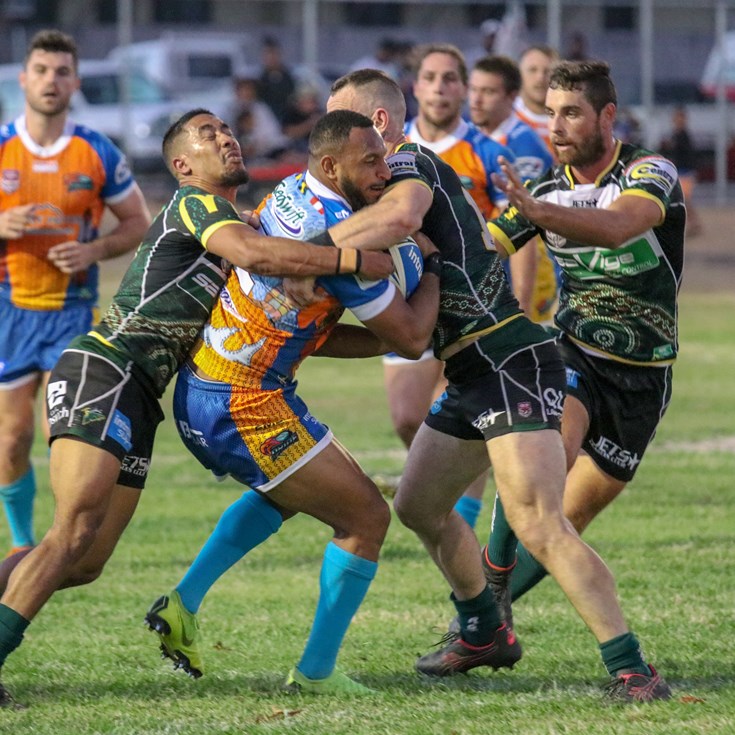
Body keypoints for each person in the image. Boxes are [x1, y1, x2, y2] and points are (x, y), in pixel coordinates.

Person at [0, 107, 393, 708]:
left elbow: (288, 312)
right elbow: (258, 254)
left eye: (228, 130)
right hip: (106, 367)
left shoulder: (239, 226)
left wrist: (390, 336)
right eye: (209, 135)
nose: (227, 138)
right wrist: (353, 259)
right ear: (183, 165)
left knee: (85, 562)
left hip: (142, 396)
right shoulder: (195, 206)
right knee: (72, 531)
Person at [325, 68, 671, 702]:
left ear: (377, 125)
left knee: (541, 520)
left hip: (514, 362)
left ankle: (634, 672)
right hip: (479, 367)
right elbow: (461, 265)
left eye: (339, 122)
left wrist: (301, 252)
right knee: (418, 505)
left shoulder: (408, 165)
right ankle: (485, 629)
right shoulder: (370, 192)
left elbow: (400, 217)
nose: (328, 139)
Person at [145, 109, 440, 695]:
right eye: (371, 163)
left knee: (286, 495)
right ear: (332, 166)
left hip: (212, 387)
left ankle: (183, 603)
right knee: (365, 518)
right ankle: (315, 673)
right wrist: (432, 268)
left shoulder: (290, 192)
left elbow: (316, 331)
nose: (384, 173)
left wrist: (385, 335)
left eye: (384, 160)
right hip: (243, 403)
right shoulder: (344, 239)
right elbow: (411, 339)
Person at [481, 60, 682, 703]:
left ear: (607, 116)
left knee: (564, 523)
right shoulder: (542, 189)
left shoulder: (650, 173)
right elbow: (486, 247)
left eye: (571, 112)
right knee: (539, 478)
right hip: (571, 354)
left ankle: (488, 619)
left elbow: (620, 225)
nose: (557, 126)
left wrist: (538, 212)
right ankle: (486, 598)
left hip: (643, 379)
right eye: (550, 112)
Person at [0, 30, 151, 560]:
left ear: (76, 83)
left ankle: (60, 542)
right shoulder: (2, 146)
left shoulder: (95, 150)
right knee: (11, 439)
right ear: (24, 79)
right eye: (42, 70)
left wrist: (93, 250)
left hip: (72, 314)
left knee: (64, 435)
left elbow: (139, 223)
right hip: (9, 311)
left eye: (62, 72)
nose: (51, 81)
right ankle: (22, 543)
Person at [384, 43, 513, 530]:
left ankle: (462, 523)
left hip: (471, 304)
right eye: (431, 78)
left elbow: (516, 233)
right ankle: (450, 491)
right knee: (406, 416)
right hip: (409, 300)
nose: (440, 87)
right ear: (415, 88)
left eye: (450, 79)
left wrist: (518, 298)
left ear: (463, 89)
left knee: (464, 413)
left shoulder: (487, 152)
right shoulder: (388, 152)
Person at [661, 106, 702, 237]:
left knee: (684, 199)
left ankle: (693, 224)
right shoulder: (677, 135)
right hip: (680, 171)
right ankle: (693, 223)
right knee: (683, 200)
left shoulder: (683, 135)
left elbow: (687, 154)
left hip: (686, 172)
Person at [514, 45, 559, 151]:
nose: (540, 78)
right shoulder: (504, 119)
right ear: (519, 75)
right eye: (532, 70)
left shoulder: (569, 122)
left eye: (547, 71)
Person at [257, 36, 296, 125]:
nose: (271, 58)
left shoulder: (289, 77)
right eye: (267, 54)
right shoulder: (260, 80)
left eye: (273, 54)